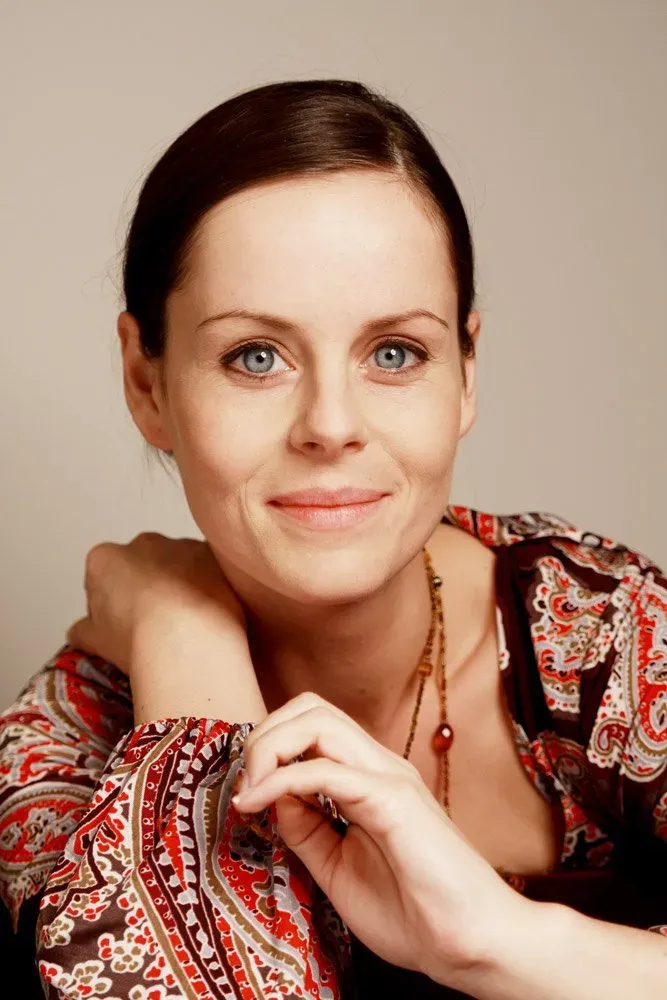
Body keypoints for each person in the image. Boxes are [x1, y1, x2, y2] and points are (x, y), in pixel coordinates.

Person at [0, 78, 665, 1000]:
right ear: (147, 385)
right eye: (254, 357)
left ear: (466, 372)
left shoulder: (601, 633)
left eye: (394, 352)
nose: (331, 425)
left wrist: (499, 943)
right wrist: (186, 648)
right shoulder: (67, 748)